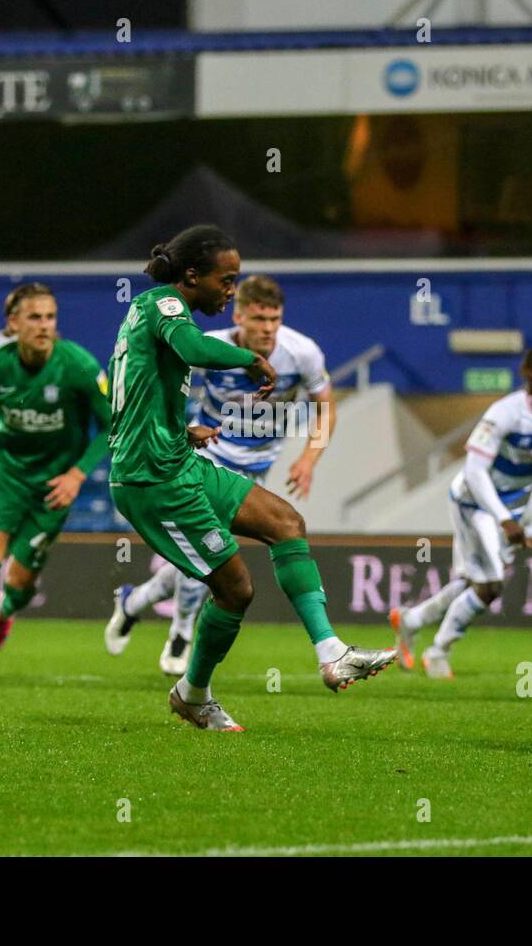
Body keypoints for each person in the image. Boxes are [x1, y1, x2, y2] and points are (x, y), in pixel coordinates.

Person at [107, 224, 394, 732]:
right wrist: (251, 360)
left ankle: (332, 652)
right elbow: (194, 351)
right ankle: (193, 693)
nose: (231, 289)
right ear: (192, 276)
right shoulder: (166, 307)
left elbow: (144, 384)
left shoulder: (155, 310)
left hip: (178, 459)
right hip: (153, 481)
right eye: (227, 280)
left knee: (286, 522)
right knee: (235, 590)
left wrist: (179, 427)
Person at [105, 273, 337, 676]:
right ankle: (181, 635)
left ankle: (132, 603)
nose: (267, 329)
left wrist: (309, 459)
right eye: (259, 319)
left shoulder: (303, 353)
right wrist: (180, 434)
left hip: (259, 467)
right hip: (211, 457)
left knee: (206, 561)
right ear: (240, 318)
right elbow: (164, 396)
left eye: (274, 319)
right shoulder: (207, 345)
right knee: (216, 559)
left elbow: (326, 407)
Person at [0, 282, 111, 684]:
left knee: (20, 581)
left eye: (50, 317)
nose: (44, 326)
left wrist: (76, 474)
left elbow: (110, 427)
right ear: (13, 323)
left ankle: (7, 610)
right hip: (4, 476)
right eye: (34, 317)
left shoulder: (80, 367)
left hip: (53, 486)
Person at [389, 347, 532, 678]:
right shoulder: (505, 414)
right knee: (492, 584)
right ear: (529, 377)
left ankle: (410, 620)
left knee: (475, 581)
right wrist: (503, 517)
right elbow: (474, 471)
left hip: (515, 503)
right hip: (476, 503)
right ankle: (438, 651)